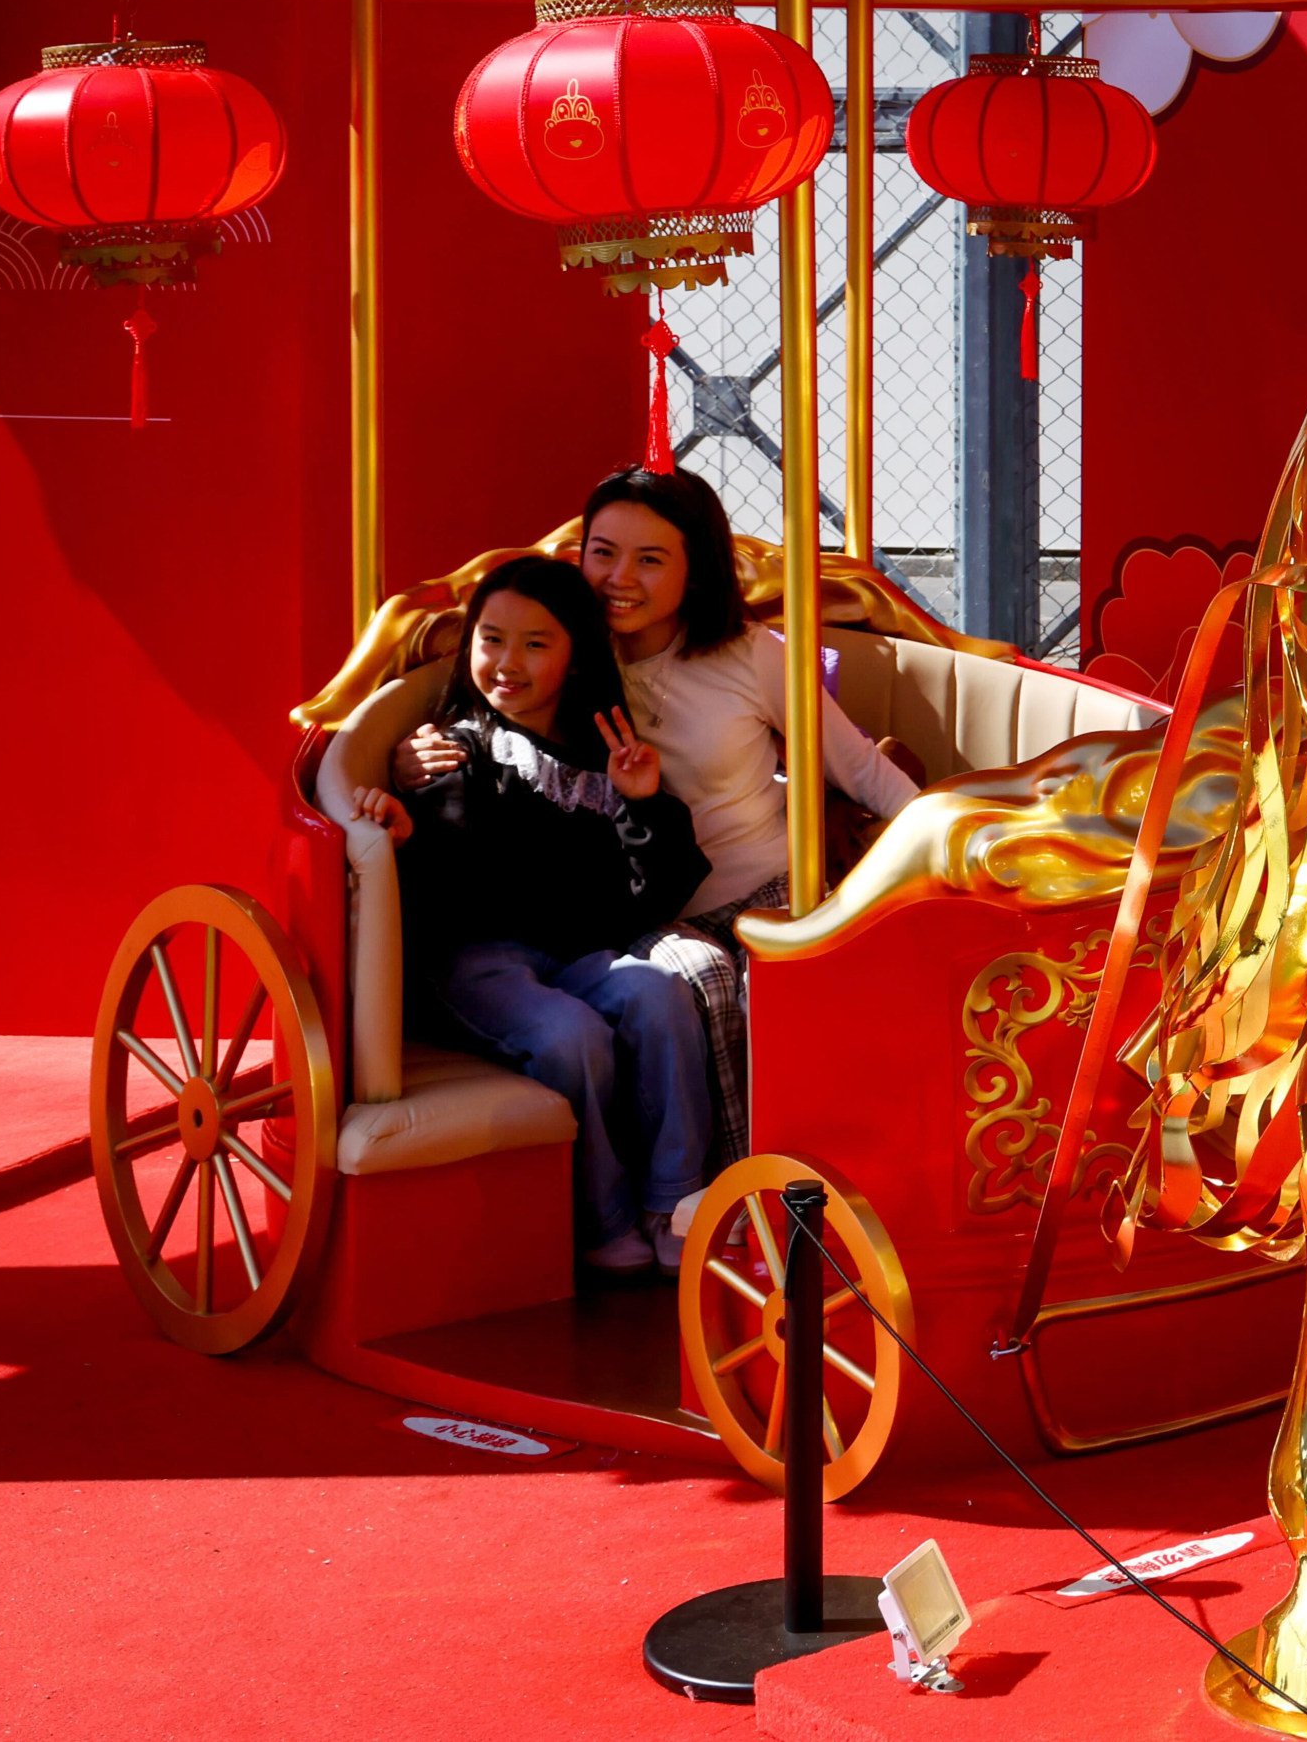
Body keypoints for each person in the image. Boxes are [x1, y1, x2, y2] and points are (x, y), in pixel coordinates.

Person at [392, 467, 918, 1233]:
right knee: (700, 978)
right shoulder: (562, 647)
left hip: (765, 881)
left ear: (694, 567)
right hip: (650, 906)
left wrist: (945, 839)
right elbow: (480, 712)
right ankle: (731, 1208)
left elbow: (859, 767)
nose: (620, 578)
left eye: (650, 559)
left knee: (803, 983)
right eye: (603, 553)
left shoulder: (749, 655)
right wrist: (409, 758)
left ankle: (844, 1185)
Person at [360, 555, 712, 1276]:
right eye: (491, 640)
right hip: (480, 962)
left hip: (581, 954)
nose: (507, 663)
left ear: (575, 655)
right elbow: (448, 872)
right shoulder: (452, 747)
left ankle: (674, 1199)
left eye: (535, 644)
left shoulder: (604, 752)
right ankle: (604, 1218)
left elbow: (655, 892)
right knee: (570, 1035)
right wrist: (402, 814)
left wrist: (641, 803)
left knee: (662, 995)